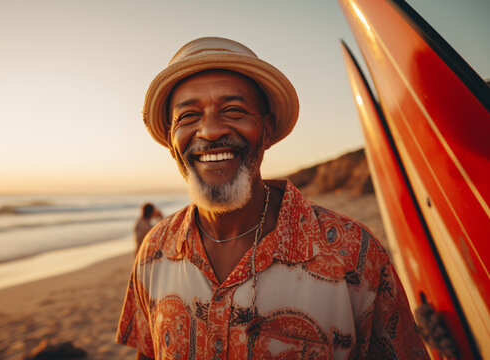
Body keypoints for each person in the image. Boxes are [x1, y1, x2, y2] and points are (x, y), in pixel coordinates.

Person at [116, 37, 428, 359]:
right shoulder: (154, 251)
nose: (209, 130)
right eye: (189, 116)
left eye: (234, 110)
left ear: (266, 131)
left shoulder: (354, 254)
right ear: (171, 141)